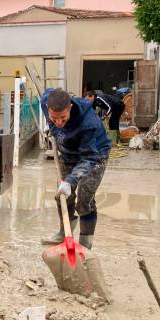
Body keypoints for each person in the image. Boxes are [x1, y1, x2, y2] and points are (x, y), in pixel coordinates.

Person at [40, 89, 111, 249]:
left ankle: (85, 245)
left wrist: (71, 180)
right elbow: (49, 93)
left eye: (63, 118)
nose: (58, 122)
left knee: (85, 198)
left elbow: (88, 158)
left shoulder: (88, 123)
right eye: (54, 118)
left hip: (94, 155)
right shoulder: (46, 101)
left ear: (70, 107)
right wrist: (51, 127)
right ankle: (64, 233)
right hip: (68, 153)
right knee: (63, 196)